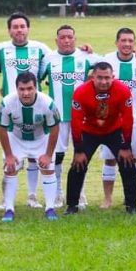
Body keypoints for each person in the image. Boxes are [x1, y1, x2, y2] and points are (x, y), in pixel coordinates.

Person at [0, 12, 53, 209]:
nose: (19, 30)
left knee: (35, 157)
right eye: (15, 27)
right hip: (11, 108)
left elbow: (57, 57)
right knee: (9, 158)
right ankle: (5, 199)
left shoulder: (40, 48)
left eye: (22, 26)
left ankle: (32, 196)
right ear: (9, 30)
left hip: (36, 108)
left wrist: (85, 50)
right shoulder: (0, 49)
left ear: (28, 29)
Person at [66, 62, 136, 215]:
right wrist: (78, 150)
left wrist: (126, 146)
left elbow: (127, 119)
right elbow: (76, 122)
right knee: (78, 165)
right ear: (92, 77)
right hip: (89, 131)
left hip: (114, 130)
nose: (104, 82)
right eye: (99, 78)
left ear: (113, 77)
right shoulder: (80, 92)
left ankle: (131, 205)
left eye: (107, 78)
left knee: (128, 163)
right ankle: (72, 206)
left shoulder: (123, 90)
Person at [40, 24, 99, 207]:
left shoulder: (86, 57)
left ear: (75, 39)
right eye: (62, 37)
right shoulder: (48, 59)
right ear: (56, 40)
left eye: (70, 37)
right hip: (57, 118)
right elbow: (35, 79)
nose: (66, 40)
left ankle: (79, 193)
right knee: (57, 156)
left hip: (81, 117)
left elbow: (111, 64)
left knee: (81, 155)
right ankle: (57, 194)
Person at [99, 27, 136, 208]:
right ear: (117, 43)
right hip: (111, 118)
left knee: (133, 158)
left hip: (135, 117)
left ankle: (129, 196)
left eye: (130, 41)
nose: (127, 44)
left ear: (134, 44)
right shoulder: (107, 60)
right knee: (110, 159)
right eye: (123, 41)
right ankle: (107, 199)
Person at [0, 72, 62, 221]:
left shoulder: (47, 103)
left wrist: (48, 154)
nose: (26, 93)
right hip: (16, 138)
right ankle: (9, 209)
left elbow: (54, 128)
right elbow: (1, 128)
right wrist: (8, 155)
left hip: (40, 138)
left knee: (48, 169)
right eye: (22, 89)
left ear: (36, 87)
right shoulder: (7, 103)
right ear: (16, 89)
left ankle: (50, 208)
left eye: (29, 88)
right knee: (10, 168)